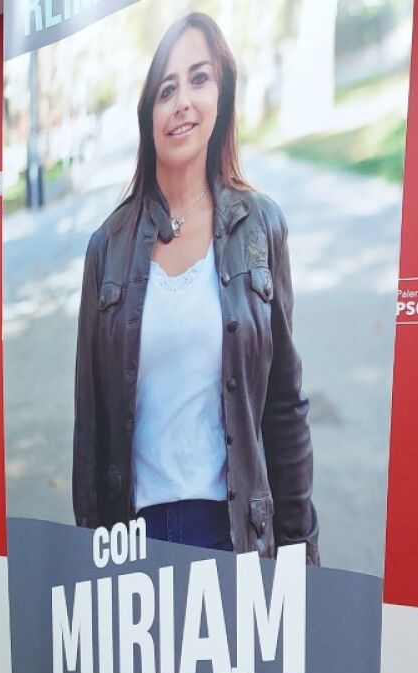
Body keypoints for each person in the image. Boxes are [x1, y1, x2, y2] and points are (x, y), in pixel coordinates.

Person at [72, 12, 318, 562]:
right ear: (147, 113)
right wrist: (86, 558)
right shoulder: (106, 248)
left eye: (199, 79)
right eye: (167, 89)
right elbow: (90, 428)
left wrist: (300, 551)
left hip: (234, 537)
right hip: (135, 541)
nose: (182, 102)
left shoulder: (261, 227)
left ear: (221, 95)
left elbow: (284, 406)